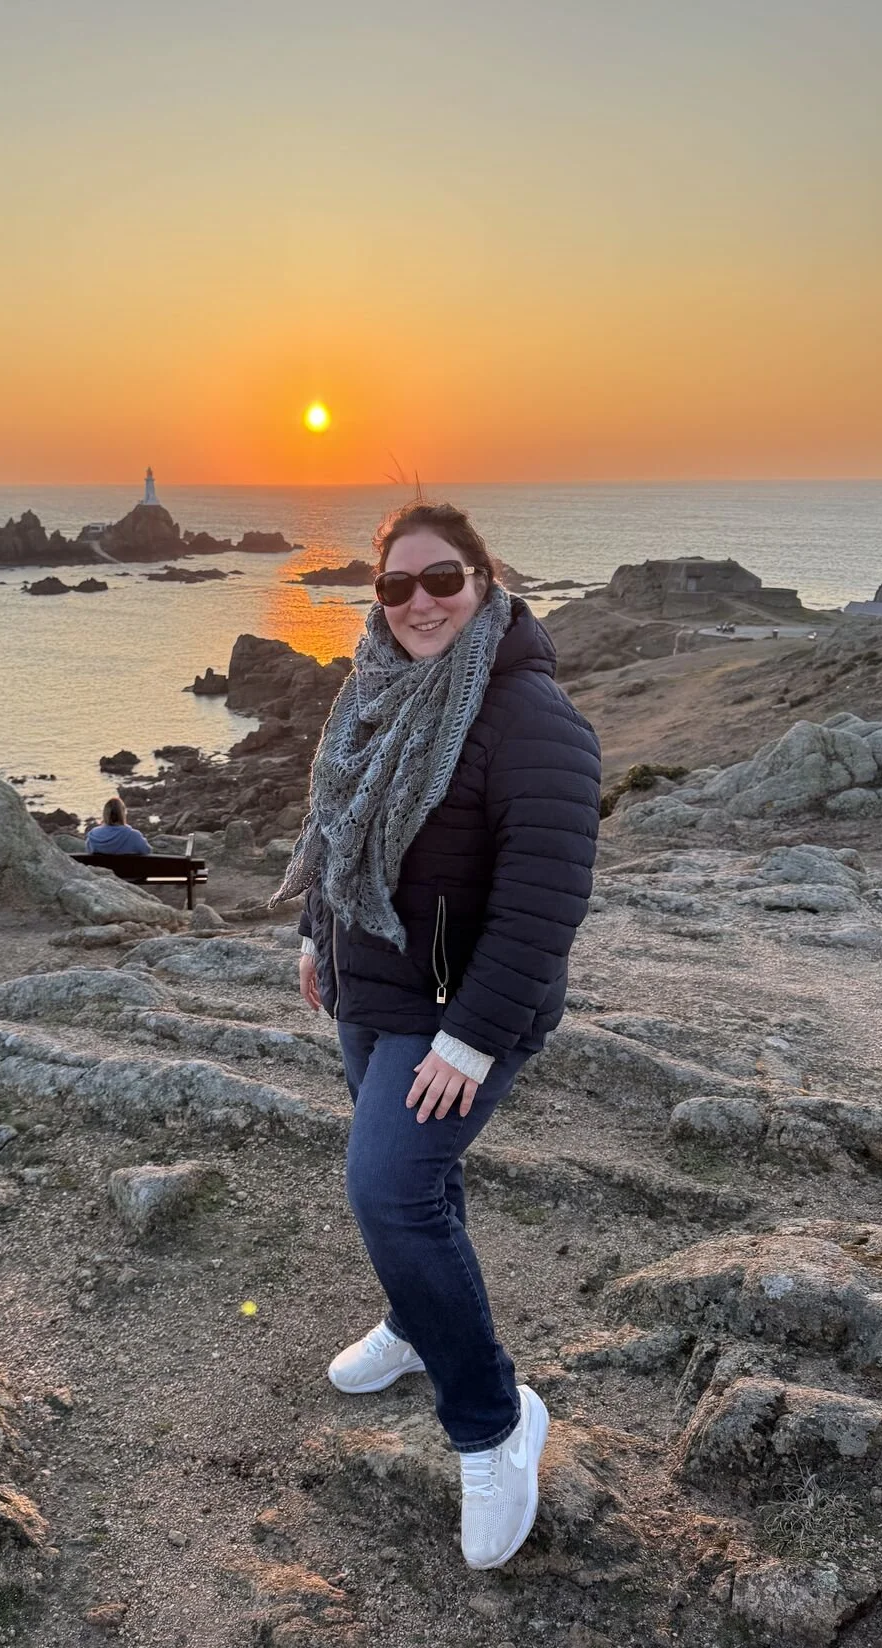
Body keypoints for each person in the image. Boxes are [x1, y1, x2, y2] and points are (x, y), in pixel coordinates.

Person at [269, 500, 600, 1571]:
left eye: (439, 580)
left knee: (387, 1189)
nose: (416, 603)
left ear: (483, 580)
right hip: (371, 990)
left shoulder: (529, 715)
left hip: (459, 1018)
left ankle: (493, 1422)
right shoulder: (369, 690)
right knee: (416, 1185)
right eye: (395, 586)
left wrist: (470, 1038)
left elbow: (544, 902)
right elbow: (339, 829)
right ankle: (415, 1324)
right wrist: (317, 935)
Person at [84, 797, 153, 855]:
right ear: (122, 814)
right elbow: (147, 851)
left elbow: (88, 850)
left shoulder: (94, 836)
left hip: (100, 871)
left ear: (105, 814)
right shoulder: (134, 836)